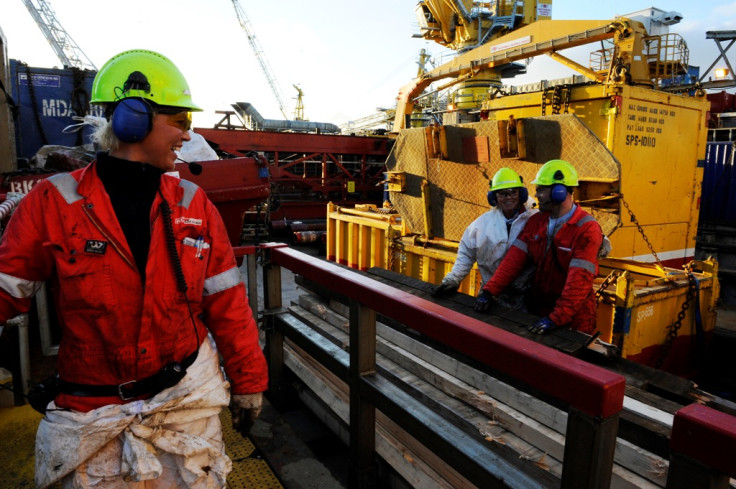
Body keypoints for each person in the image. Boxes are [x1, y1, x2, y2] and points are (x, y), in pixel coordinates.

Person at [0, 49, 268, 488]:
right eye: (180, 121)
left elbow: (227, 303)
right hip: (91, 413)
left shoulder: (192, 204)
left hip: (185, 401)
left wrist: (249, 381)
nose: (187, 134)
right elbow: (5, 290)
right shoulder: (54, 203)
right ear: (132, 119)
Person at [474, 159, 603, 336]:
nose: (536, 194)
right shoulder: (536, 222)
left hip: (573, 318)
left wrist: (556, 318)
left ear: (560, 191)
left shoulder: (586, 228)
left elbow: (578, 283)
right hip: (538, 309)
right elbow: (513, 261)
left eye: (541, 189)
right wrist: (489, 291)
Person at [433, 168, 536, 308]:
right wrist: (453, 279)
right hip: (490, 294)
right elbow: (466, 254)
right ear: (493, 197)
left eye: (513, 192)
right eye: (502, 194)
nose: (508, 197)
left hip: (525, 295)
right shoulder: (481, 225)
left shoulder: (533, 220)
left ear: (522, 193)